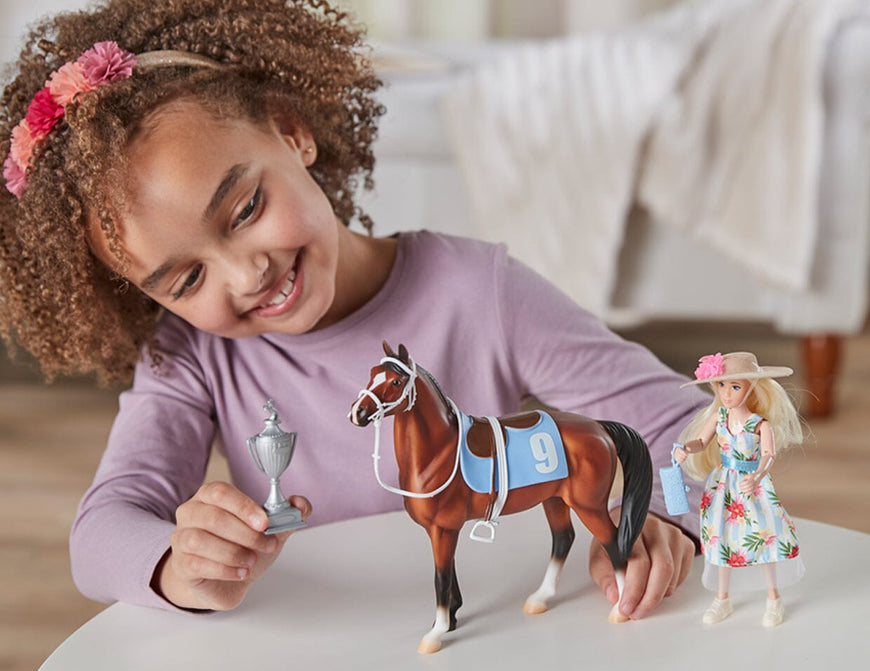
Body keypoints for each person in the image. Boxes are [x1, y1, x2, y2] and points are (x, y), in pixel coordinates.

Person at [1, 0, 705, 620]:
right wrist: (177, 562)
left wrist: (665, 517)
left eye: (246, 208)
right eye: (185, 280)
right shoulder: (190, 355)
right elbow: (99, 536)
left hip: (495, 636)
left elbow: (684, 424)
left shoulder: (479, 293)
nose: (247, 274)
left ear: (293, 132)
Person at [674, 352, 805, 627]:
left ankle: (774, 598)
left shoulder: (760, 424)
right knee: (722, 536)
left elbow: (769, 455)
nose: (727, 393)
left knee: (763, 535)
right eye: (722, 385)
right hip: (723, 485)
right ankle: (722, 598)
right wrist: (686, 449)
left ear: (751, 388)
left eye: (735, 386)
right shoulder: (719, 417)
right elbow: (701, 441)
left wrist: (757, 476)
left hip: (751, 485)